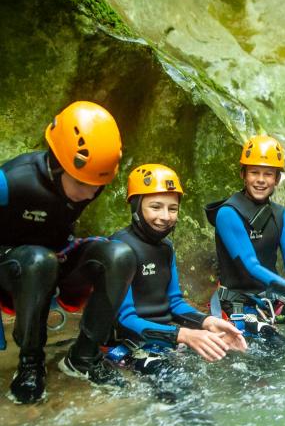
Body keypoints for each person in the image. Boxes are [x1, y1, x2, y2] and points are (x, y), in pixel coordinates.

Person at [0, 101, 136, 404]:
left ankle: (83, 359)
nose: (90, 194)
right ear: (58, 162)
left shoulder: (88, 179)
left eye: (97, 185)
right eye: (81, 184)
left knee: (120, 255)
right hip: (13, 269)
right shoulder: (12, 180)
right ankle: (30, 362)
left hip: (53, 260)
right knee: (39, 260)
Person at [107, 164, 247, 397]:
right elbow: (125, 320)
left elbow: (174, 303)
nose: (165, 217)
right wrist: (183, 335)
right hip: (132, 344)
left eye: (173, 208)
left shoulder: (166, 248)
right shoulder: (119, 249)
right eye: (155, 207)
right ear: (136, 205)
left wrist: (207, 322)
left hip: (165, 339)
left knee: (243, 365)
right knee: (184, 393)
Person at [205, 135, 285, 341]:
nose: (261, 180)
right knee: (277, 345)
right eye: (254, 172)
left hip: (269, 297)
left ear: (277, 179)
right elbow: (250, 266)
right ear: (243, 175)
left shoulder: (280, 214)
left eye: (268, 174)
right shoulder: (228, 213)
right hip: (236, 299)